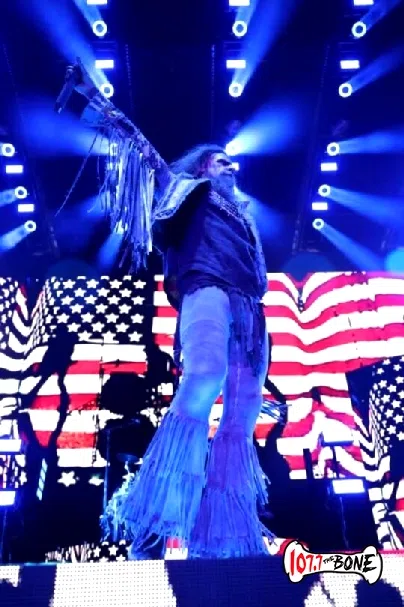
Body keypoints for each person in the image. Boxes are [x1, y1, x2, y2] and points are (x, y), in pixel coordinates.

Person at [70, 60, 275, 559]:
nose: (231, 167)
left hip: (251, 310)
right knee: (203, 375)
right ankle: (158, 518)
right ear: (203, 167)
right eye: (222, 161)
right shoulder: (187, 190)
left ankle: (225, 537)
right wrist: (94, 99)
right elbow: (141, 148)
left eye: (232, 162)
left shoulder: (245, 219)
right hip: (207, 290)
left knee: (243, 414)